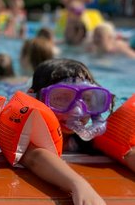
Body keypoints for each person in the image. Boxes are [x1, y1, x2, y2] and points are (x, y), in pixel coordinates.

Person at [22, 58, 124, 204]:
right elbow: (33, 156)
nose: (76, 110)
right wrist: (79, 185)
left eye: (87, 99)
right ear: (34, 98)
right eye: (61, 98)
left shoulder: (92, 139)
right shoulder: (29, 132)